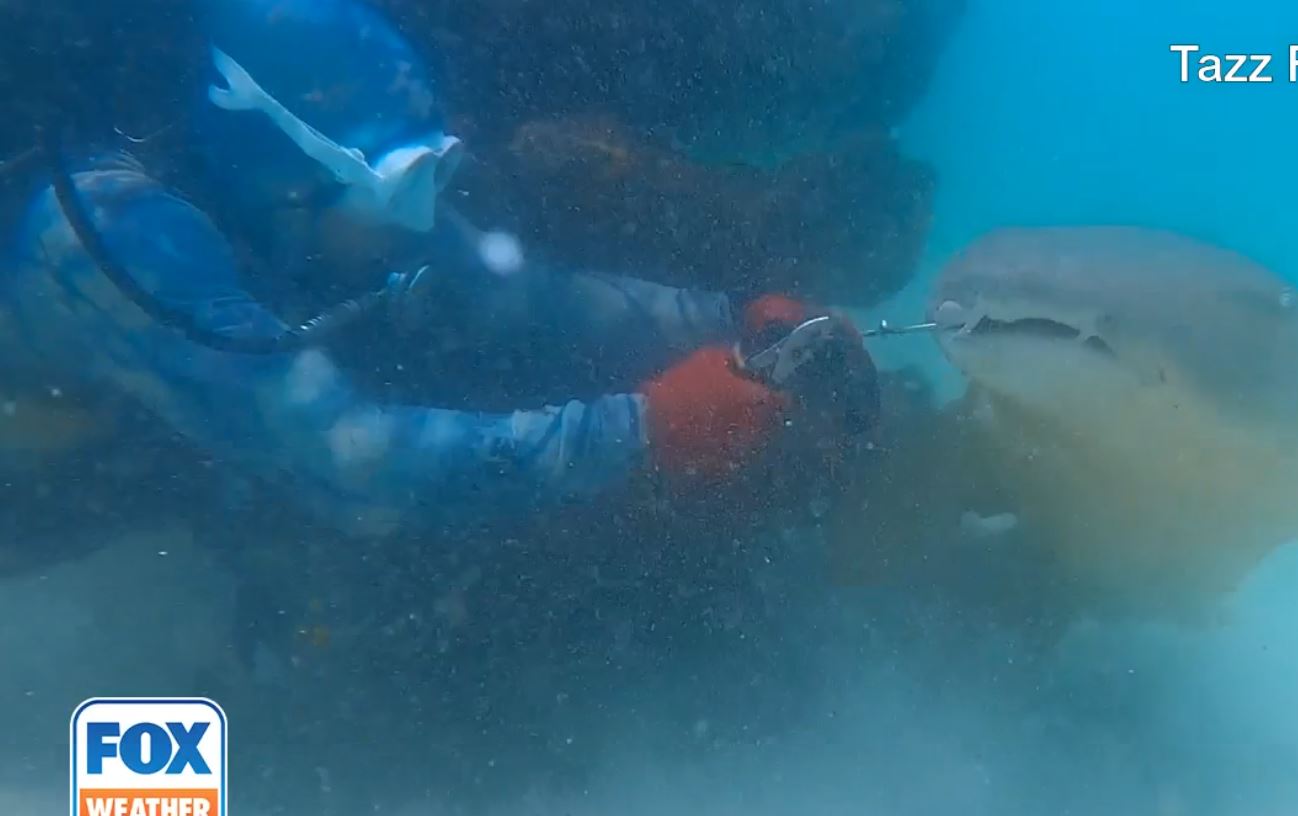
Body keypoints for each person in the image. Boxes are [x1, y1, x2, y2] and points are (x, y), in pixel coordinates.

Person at [0, 0, 878, 550]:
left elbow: (510, 294)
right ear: (287, 172)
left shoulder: (307, 171)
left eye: (436, 167)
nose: (424, 216)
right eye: (400, 183)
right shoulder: (107, 236)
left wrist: (728, 314)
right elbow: (346, 462)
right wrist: (645, 427)